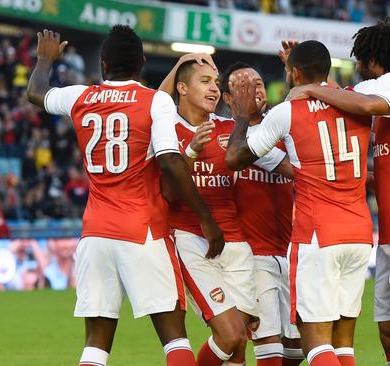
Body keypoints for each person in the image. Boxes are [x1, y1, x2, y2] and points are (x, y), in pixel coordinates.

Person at [26, 26, 224, 366]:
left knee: (95, 345)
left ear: (104, 64)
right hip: (142, 230)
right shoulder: (155, 100)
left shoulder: (80, 97)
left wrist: (45, 60)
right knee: (174, 337)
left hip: (95, 234)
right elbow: (171, 162)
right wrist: (207, 219)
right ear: (143, 63)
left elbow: (36, 93)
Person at [297, 20, 390, 366]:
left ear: (372, 59)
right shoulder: (385, 101)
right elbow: (354, 102)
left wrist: (313, 90)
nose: (356, 65)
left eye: (359, 59)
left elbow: (364, 104)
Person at [226, 40, 374, 366]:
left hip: (318, 235)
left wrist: (239, 116)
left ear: (293, 73)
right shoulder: (355, 100)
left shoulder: (287, 113)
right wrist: (297, 74)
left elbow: (235, 157)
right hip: (360, 234)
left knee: (316, 343)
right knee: (343, 343)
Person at [158, 55, 288, 366]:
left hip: (237, 245)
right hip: (192, 240)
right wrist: (191, 151)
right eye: (205, 82)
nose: (214, 89)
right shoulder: (166, 128)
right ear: (182, 88)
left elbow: (283, 162)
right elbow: (168, 193)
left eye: (216, 83)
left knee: (238, 343)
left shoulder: (232, 129)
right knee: (229, 335)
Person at [221, 62, 303, 366]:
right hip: (252, 255)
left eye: (257, 83)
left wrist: (291, 72)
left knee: (297, 348)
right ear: (228, 99)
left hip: (290, 251)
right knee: (268, 345)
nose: (253, 89)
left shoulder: (281, 129)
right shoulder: (225, 137)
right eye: (242, 86)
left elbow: (298, 109)